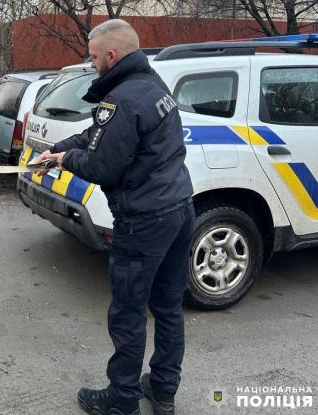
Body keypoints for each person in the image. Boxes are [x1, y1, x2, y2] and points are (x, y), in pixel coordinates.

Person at [33, 20, 194, 415]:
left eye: (92, 57)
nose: (90, 65)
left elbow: (104, 165)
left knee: (128, 313)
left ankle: (121, 400)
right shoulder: (153, 84)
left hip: (144, 222)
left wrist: (67, 160)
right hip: (179, 211)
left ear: (111, 55)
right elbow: (99, 135)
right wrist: (60, 148)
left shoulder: (121, 100)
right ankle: (163, 390)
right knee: (169, 307)